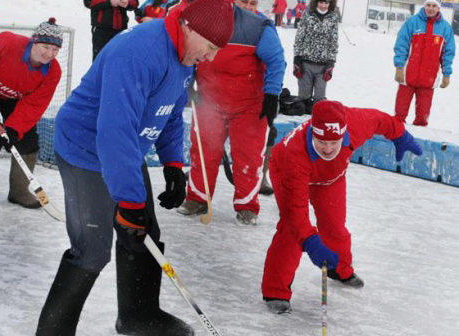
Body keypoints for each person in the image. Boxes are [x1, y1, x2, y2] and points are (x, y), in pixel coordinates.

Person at [33, 0, 234, 336]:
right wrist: (128, 200)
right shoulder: (138, 51)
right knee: (92, 248)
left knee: (144, 236)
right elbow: (114, 129)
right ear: (190, 28)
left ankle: (138, 315)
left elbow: (170, 112)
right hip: (86, 149)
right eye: (209, 47)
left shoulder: (184, 56)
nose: (209, 58)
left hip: (125, 146)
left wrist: (174, 163)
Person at [262, 100, 423, 314]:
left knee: (335, 226)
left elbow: (381, 120)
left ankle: (339, 270)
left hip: (330, 179)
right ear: (312, 133)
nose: (328, 149)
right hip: (286, 172)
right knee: (292, 230)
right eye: (321, 142)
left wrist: (402, 136)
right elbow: (297, 214)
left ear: (344, 134)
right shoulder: (295, 155)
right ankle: (276, 290)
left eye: (334, 143)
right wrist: (311, 243)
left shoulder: (356, 124)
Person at [178, 0, 286, 225]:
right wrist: (188, 85)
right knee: (202, 151)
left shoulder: (258, 26)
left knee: (248, 158)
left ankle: (247, 206)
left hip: (249, 107)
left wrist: (272, 95)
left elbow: (276, 61)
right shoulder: (199, 19)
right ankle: (197, 198)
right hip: (210, 102)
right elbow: (186, 50)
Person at [0, 18, 63, 209]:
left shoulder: (52, 71)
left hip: (16, 98)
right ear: (34, 41)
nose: (50, 54)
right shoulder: (8, 43)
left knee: (27, 140)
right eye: (45, 47)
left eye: (55, 50)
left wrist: (14, 129)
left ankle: (19, 192)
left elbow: (35, 104)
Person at [393, 0, 455, 127]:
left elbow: (448, 53)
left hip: (428, 80)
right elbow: (401, 45)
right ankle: (396, 141)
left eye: (434, 6)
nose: (430, 8)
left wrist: (446, 74)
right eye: (428, 5)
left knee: (422, 119)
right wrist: (399, 67)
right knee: (399, 117)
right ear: (424, 6)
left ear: (439, 8)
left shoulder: (445, 28)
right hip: (407, 77)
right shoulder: (412, 22)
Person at [293, 0, 339, 111]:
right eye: (321, 2)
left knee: (319, 100)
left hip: (323, 66)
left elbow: (334, 41)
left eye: (327, 3)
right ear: (316, 2)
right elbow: (299, 37)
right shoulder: (307, 14)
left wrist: (331, 62)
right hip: (306, 63)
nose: (323, 6)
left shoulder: (333, 18)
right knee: (303, 98)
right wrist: (297, 58)